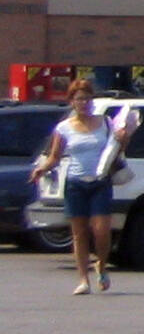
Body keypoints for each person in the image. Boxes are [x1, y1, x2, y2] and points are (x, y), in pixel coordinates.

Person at [28, 78, 129, 295]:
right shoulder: (64, 128)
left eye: (87, 99)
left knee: (101, 231)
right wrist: (41, 170)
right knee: (79, 233)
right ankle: (83, 279)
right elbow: (54, 157)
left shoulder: (105, 122)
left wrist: (123, 138)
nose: (84, 103)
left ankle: (101, 265)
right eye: (79, 99)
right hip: (75, 184)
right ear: (72, 102)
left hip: (100, 182)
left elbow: (118, 150)